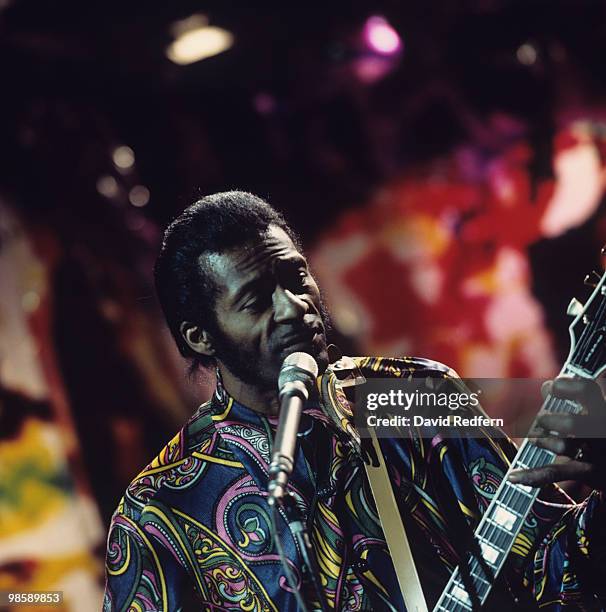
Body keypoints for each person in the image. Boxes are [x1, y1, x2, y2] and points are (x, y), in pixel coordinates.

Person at [104, 191, 606, 611]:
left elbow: (546, 562)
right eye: (256, 301)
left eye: (296, 278)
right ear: (200, 337)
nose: (294, 307)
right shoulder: (160, 509)